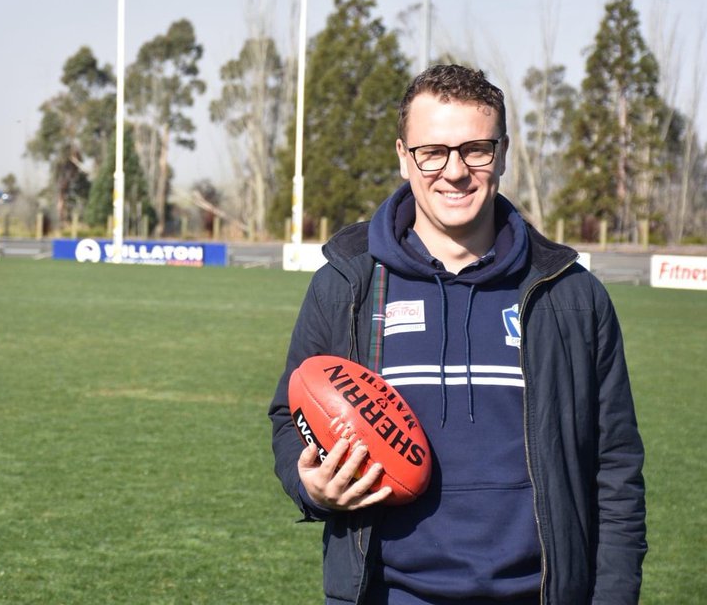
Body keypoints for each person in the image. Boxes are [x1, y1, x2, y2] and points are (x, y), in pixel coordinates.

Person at [269, 64, 646, 604]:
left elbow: (616, 472)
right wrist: (309, 486)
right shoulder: (346, 284)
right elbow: (291, 414)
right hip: (388, 594)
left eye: (476, 149)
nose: (455, 171)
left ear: (503, 152)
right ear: (404, 156)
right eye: (433, 151)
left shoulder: (569, 295)